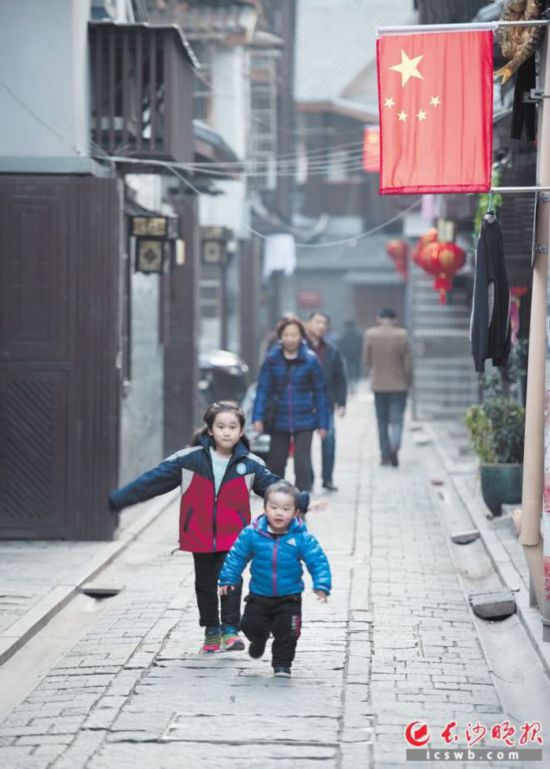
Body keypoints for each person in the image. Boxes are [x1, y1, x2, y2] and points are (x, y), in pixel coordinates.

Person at [108, 401, 313, 654]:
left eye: (232, 427)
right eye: (221, 426)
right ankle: (211, 629)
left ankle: (230, 630)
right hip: (199, 534)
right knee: (205, 585)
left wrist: (301, 501)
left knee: (231, 579)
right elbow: (152, 481)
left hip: (234, 536)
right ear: (210, 430)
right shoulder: (188, 460)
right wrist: (118, 500)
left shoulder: (249, 464)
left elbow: (275, 488)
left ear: (241, 431)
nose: (227, 432)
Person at [219, 480, 331, 677]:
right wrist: (228, 579)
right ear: (264, 508)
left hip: (290, 597)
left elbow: (317, 560)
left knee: (289, 633)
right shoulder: (252, 534)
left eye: (286, 509)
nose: (279, 513)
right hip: (259, 595)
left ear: (296, 512)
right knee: (250, 626)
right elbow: (236, 557)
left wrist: (321, 585)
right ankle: (258, 640)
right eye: (274, 507)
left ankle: (282, 664)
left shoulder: (302, 537)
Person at [253, 315, 330, 491]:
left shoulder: (310, 360)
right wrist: (257, 417)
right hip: (278, 418)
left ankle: (302, 500)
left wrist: (323, 423)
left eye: (294, 335)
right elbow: (263, 389)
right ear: (280, 337)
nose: (290, 339)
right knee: (276, 463)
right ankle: (275, 499)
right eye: (286, 335)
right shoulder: (272, 359)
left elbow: (320, 392)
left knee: (302, 464)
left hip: (304, 418)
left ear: (301, 336)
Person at [363, 308, 412, 467]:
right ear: (395, 319)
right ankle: (395, 446)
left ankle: (385, 454)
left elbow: (367, 360)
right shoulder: (402, 335)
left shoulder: (370, 334)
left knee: (382, 421)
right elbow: (408, 363)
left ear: (378, 318)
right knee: (397, 420)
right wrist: (408, 381)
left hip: (379, 385)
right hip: (399, 385)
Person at [306, 311, 348, 491]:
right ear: (309, 323)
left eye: (324, 323)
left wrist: (341, 402)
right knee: (304, 442)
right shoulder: (300, 347)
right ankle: (307, 478)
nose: (321, 326)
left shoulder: (332, 350)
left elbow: (340, 377)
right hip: (304, 402)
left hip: (326, 402)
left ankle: (327, 478)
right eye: (317, 322)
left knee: (329, 439)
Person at [338, 320, 363, 393]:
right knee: (357, 370)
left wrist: (342, 355)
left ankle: (350, 385)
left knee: (348, 370)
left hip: (347, 356)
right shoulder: (358, 335)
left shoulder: (343, 335)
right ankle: (355, 384)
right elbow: (362, 345)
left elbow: (340, 346)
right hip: (356, 355)